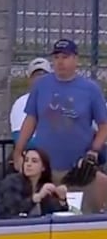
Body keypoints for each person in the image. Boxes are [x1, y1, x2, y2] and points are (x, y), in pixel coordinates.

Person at [13, 38, 107, 213]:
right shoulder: (42, 85)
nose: (60, 62)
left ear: (76, 59)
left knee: (78, 214)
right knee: (42, 213)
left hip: (76, 170)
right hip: (46, 168)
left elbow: (103, 124)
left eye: (65, 57)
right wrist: (19, 151)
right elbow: (30, 119)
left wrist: (94, 150)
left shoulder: (90, 89)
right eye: (56, 57)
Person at [0, 148, 68, 219]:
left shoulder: (43, 186)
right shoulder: (11, 182)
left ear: (43, 167)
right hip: (7, 227)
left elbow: (56, 215)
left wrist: (62, 199)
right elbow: (13, 209)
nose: (28, 164)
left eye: (34, 161)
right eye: (26, 160)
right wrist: (36, 198)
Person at [10, 57, 52, 147]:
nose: (40, 79)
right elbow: (19, 137)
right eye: (36, 75)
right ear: (30, 80)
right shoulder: (21, 103)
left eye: (44, 75)